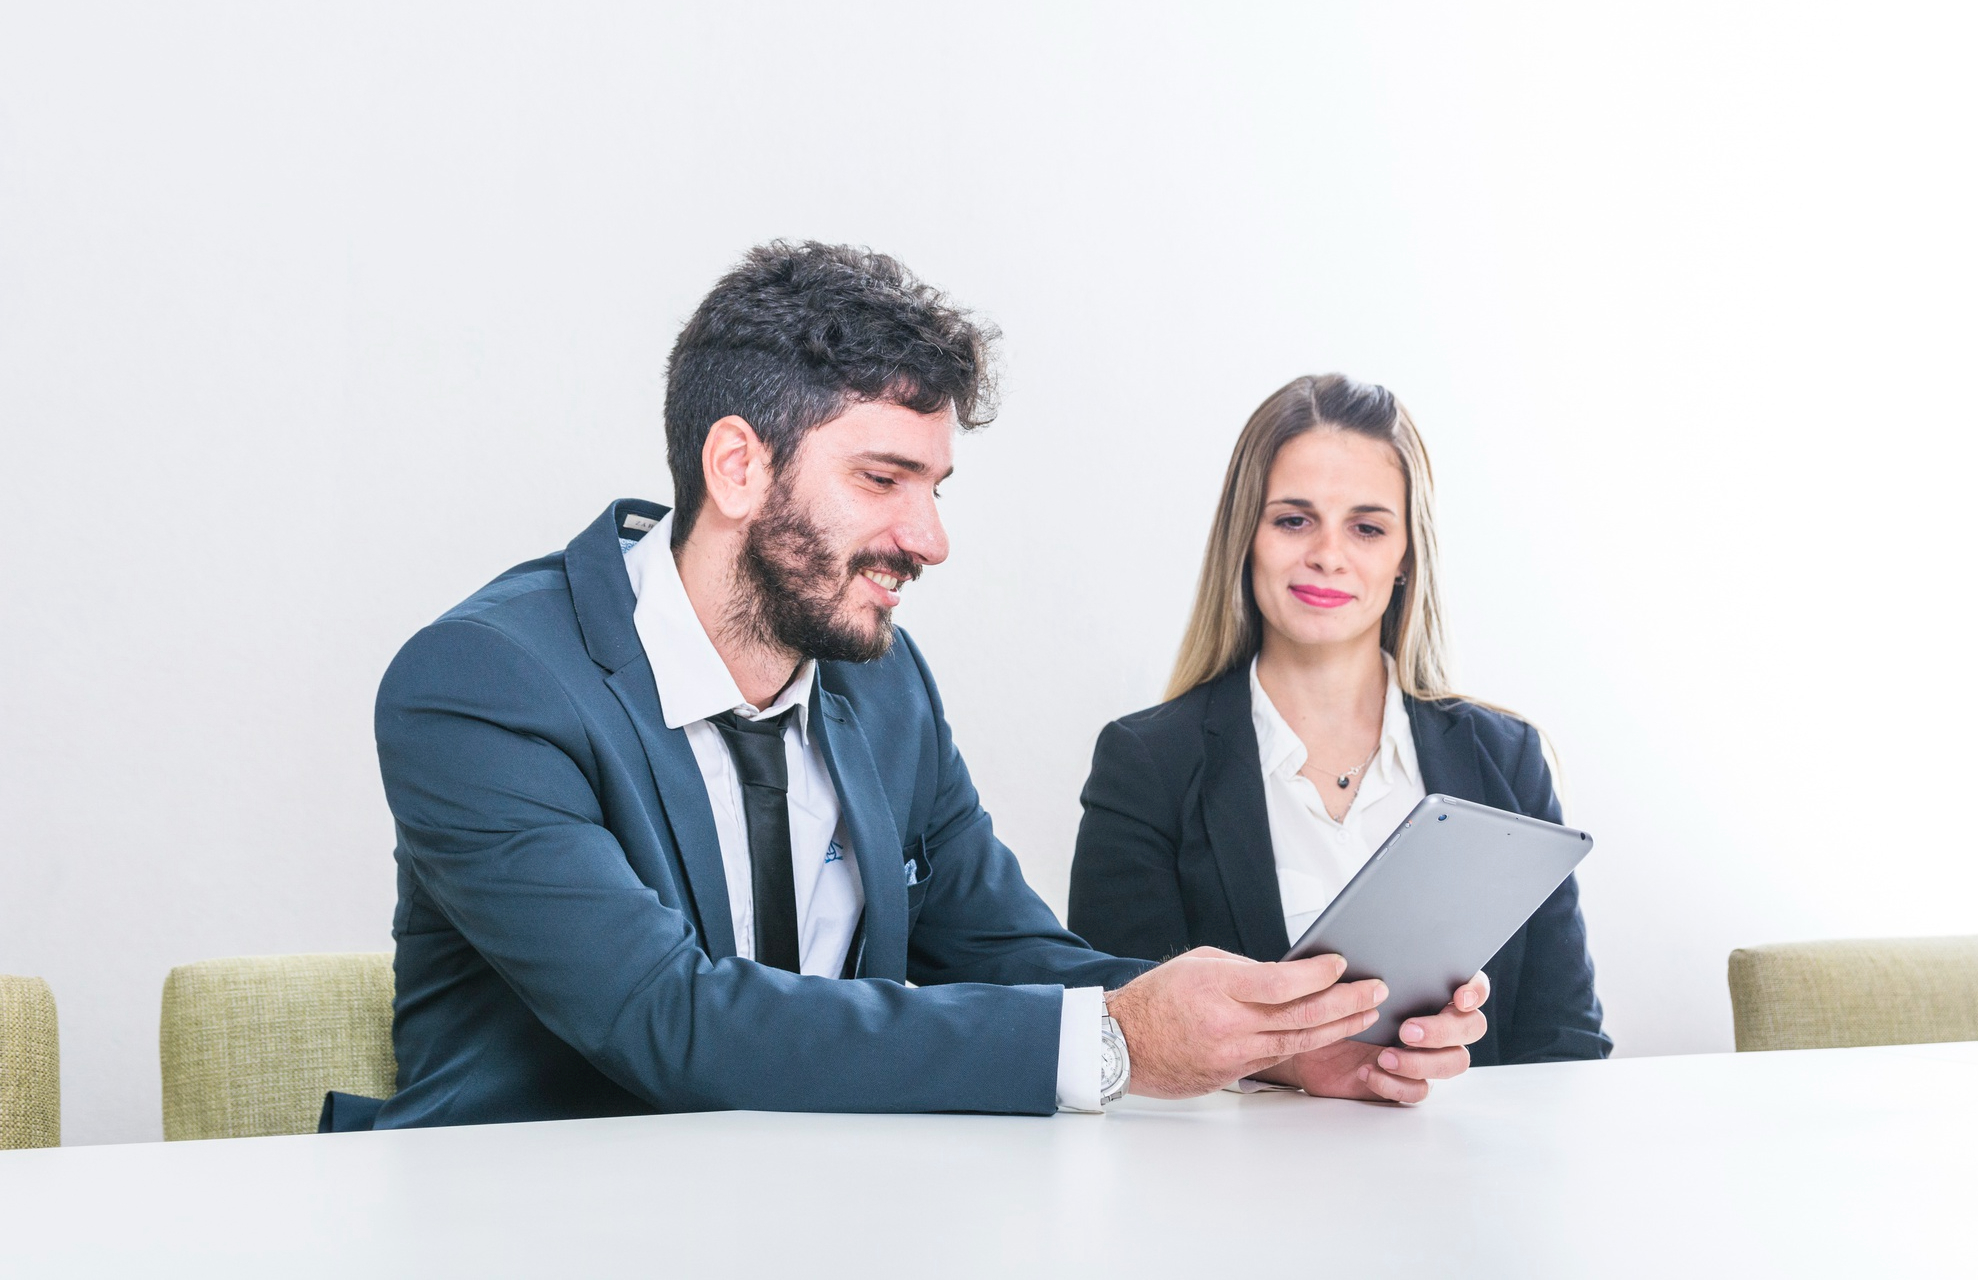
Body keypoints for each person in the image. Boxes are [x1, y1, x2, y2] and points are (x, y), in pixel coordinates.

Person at [335, 246, 1491, 1132]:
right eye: (883, 478)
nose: (928, 538)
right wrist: (1116, 1042)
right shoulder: (485, 685)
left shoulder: (879, 682)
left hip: (840, 1213)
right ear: (736, 467)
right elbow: (665, 1018)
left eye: (934, 485)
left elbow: (1003, 949)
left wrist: (1278, 1041)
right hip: (535, 1225)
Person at [1067, 374, 1610, 1097]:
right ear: (1245, 539)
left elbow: (1565, 1042)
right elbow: (1123, 1037)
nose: (1328, 553)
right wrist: (1290, 1063)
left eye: (1367, 526)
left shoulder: (1505, 758)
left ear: (1406, 555)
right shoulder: (1147, 763)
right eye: (1294, 519)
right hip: (1232, 1192)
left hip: (1473, 1187)